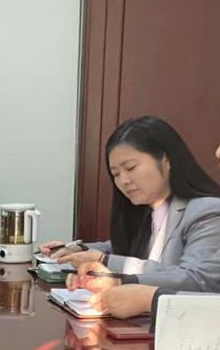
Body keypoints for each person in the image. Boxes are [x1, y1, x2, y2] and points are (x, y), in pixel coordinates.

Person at [45, 117, 220, 318]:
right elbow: (123, 247)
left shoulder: (208, 211)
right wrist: (79, 249)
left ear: (166, 160)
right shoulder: (150, 210)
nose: (124, 181)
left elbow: (195, 279)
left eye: (130, 168)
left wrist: (113, 272)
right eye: (116, 174)